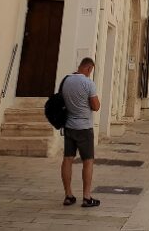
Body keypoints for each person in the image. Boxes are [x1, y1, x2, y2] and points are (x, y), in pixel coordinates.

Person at [59, 57, 101, 207]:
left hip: (69, 126)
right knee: (88, 162)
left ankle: (68, 195)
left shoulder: (66, 81)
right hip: (84, 128)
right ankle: (87, 197)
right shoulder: (88, 83)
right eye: (91, 71)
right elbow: (96, 106)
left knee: (67, 159)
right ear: (89, 68)